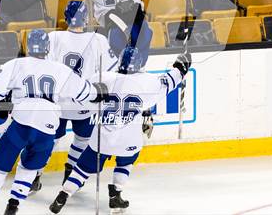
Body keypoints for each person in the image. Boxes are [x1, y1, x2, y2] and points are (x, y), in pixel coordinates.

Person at [0, 29, 108, 215]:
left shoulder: (16, 64)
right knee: (29, 168)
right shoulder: (61, 69)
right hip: (47, 128)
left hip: (21, 123)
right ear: (47, 47)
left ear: (28, 46)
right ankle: (13, 205)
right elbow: (87, 94)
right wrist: (99, 91)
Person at [49, 47, 192, 214]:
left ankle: (63, 195)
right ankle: (115, 194)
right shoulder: (148, 82)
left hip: (101, 139)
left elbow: (84, 95)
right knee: (127, 160)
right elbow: (169, 81)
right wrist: (181, 66)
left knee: (83, 168)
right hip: (128, 139)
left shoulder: (102, 77)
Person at [29, 1, 118, 193]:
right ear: (86, 19)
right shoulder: (98, 40)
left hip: (57, 102)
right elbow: (110, 72)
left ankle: (34, 174)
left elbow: (42, 68)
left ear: (66, 17)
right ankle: (70, 171)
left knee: (48, 140)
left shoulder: (53, 37)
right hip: (84, 101)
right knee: (83, 139)